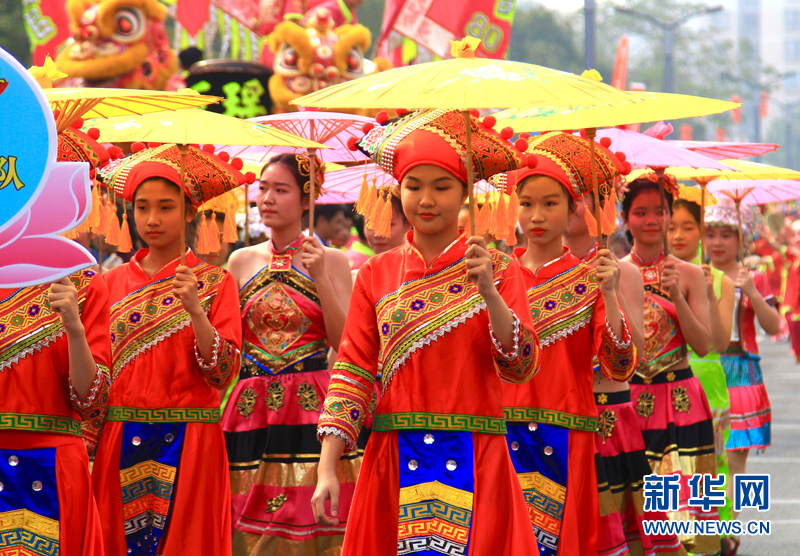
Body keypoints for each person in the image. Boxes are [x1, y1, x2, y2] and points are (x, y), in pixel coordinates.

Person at [312, 108, 541, 555]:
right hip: (393, 456)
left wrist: (491, 295)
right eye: (414, 187)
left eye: (442, 187)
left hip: (477, 454)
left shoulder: (498, 268)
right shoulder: (377, 273)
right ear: (398, 192)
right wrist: (327, 467)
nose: (427, 200)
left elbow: (520, 366)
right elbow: (353, 374)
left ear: (465, 194)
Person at [92, 143, 247, 556]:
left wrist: (197, 311)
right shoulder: (107, 284)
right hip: (121, 433)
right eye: (142, 207)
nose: (152, 219)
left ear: (191, 211)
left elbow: (223, 373)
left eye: (166, 207)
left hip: (192, 438)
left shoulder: (216, 283)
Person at [500, 132, 637, 556]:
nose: (536, 215)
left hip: (567, 432)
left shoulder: (590, 278)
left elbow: (618, 364)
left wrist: (610, 294)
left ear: (574, 209)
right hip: (501, 431)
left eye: (549, 203)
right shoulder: (497, 276)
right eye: (526, 203)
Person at [221, 153, 354, 555]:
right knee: (243, 517)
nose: (268, 199)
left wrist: (320, 279)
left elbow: (344, 342)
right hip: (249, 408)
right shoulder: (240, 261)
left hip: (311, 406)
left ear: (307, 199)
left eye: (281, 190)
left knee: (309, 520)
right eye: (263, 189)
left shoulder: (332, 260)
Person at [564, 191, 686, 556]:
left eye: (577, 199)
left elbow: (638, 353)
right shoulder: (521, 270)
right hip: (559, 416)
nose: (571, 208)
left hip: (610, 416)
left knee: (615, 528)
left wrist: (611, 291)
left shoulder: (624, 271)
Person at [622, 175, 719, 554]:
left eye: (659, 212)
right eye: (640, 212)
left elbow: (703, 344)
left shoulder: (690, 273)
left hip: (680, 401)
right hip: (630, 403)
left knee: (686, 513)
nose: (651, 220)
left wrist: (677, 295)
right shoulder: (612, 273)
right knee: (637, 511)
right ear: (624, 218)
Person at [705, 199, 780, 536]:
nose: (717, 242)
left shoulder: (754, 277)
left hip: (741, 372)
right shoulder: (695, 272)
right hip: (702, 368)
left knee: (734, 461)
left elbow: (775, 326)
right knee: (701, 457)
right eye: (710, 234)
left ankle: (727, 529)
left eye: (726, 235)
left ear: (741, 238)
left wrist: (750, 290)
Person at [668, 195, 736, 533]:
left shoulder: (720, 281)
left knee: (708, 466)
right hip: (663, 389)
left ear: (701, 232)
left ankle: (715, 533)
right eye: (672, 227)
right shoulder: (645, 277)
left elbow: (719, 344)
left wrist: (709, 294)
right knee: (668, 468)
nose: (678, 235)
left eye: (688, 227)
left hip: (708, 384)